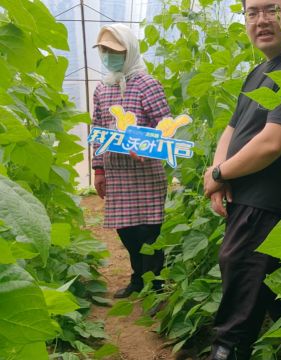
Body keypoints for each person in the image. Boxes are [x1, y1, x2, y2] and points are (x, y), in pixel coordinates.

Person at [202, 0, 281, 358]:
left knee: (236, 315)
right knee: (276, 298)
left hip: (266, 209)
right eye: (252, 12)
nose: (261, 20)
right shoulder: (258, 72)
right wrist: (216, 176)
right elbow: (232, 129)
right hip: (246, 203)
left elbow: (272, 143)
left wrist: (221, 173)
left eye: (271, 9)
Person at [91, 24, 170, 299]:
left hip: (145, 171)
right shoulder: (103, 88)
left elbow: (166, 125)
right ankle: (138, 279)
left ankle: (156, 284)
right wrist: (98, 169)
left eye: (114, 50)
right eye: (104, 50)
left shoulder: (147, 84)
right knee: (126, 231)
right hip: (117, 173)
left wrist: (148, 144)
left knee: (149, 230)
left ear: (128, 51)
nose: (108, 55)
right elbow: (98, 128)